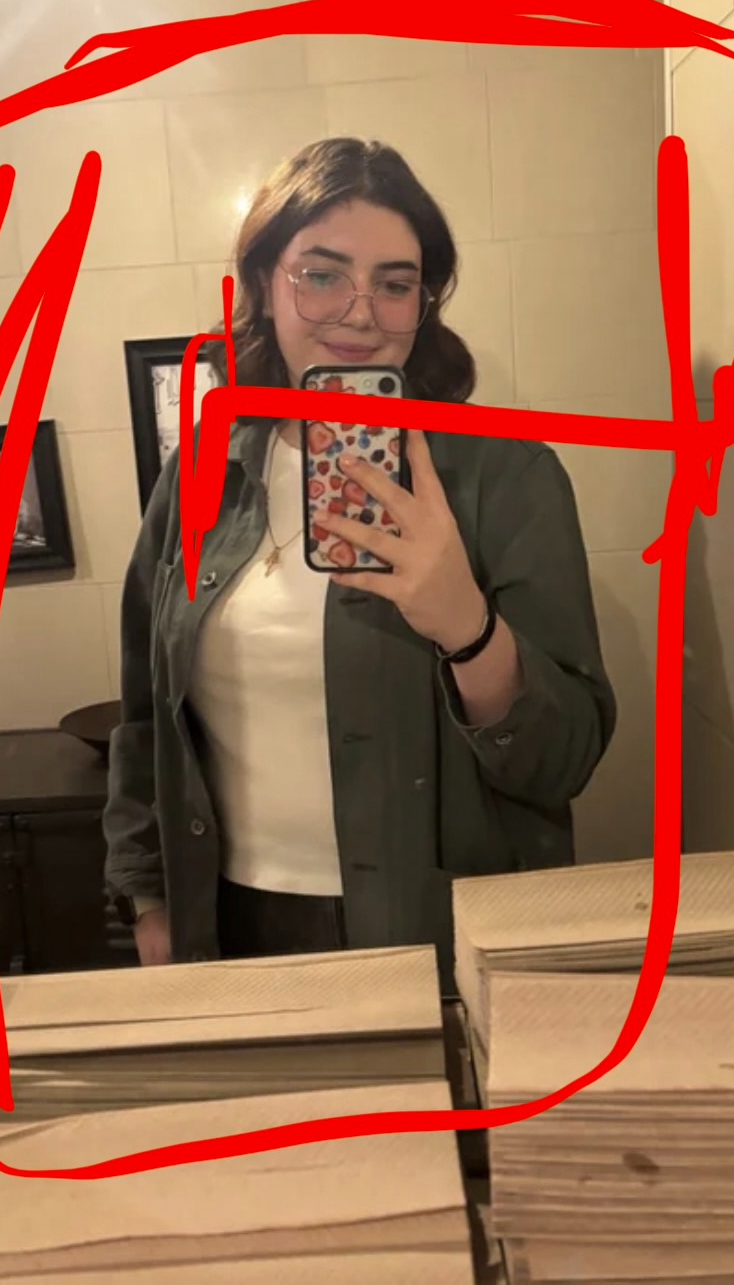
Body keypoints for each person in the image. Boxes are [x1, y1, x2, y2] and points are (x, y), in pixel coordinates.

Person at [104, 137, 616, 987]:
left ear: (424, 301)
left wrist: (467, 627)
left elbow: (563, 760)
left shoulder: (505, 475)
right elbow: (143, 715)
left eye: (395, 283)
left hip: (440, 927)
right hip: (227, 922)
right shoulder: (199, 474)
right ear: (264, 283)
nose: (360, 311)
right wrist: (147, 896)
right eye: (321, 274)